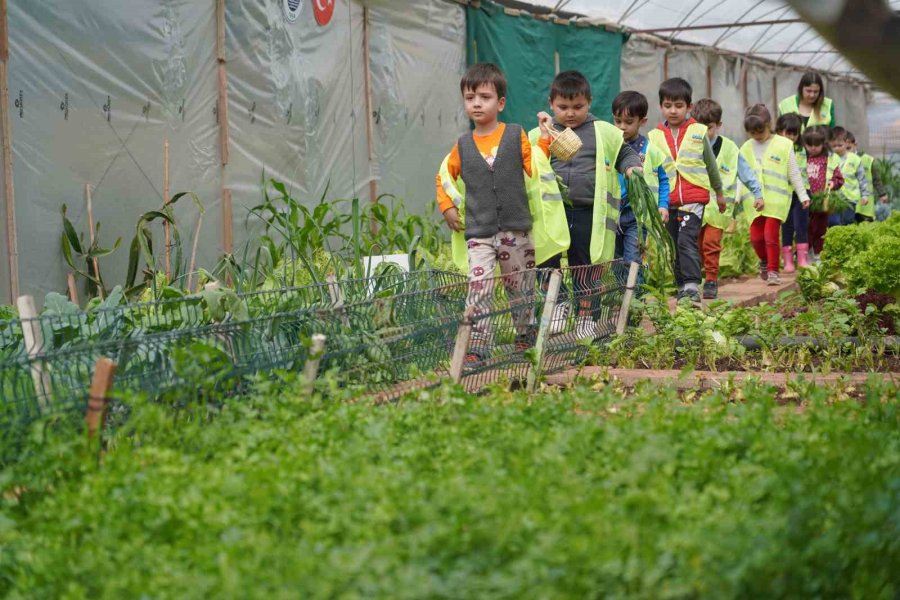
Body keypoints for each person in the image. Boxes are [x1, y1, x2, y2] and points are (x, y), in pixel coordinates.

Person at [435, 63, 567, 363]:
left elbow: (535, 166)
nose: (477, 103)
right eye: (470, 98)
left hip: (515, 231)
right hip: (479, 233)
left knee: (519, 287)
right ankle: (479, 345)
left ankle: (525, 334)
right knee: (479, 288)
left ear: (501, 102)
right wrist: (447, 207)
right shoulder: (463, 145)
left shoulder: (515, 134)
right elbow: (443, 176)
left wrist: (546, 137)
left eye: (485, 97)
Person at [531, 70, 643, 339]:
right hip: (551, 213)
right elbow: (526, 162)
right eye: (563, 107)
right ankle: (558, 305)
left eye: (578, 107)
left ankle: (586, 317)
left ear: (589, 102)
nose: (570, 113)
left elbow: (624, 152)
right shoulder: (540, 133)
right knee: (546, 262)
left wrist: (631, 167)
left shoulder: (603, 131)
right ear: (551, 104)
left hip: (588, 213)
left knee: (586, 266)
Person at [647, 77, 725, 306]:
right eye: (668, 105)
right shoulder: (654, 136)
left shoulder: (698, 132)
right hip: (667, 199)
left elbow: (711, 165)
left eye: (679, 106)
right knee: (673, 244)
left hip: (693, 197)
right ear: (661, 106)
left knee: (685, 240)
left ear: (689, 107)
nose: (673, 111)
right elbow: (651, 170)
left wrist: (719, 193)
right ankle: (682, 286)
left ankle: (692, 285)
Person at [692, 98, 763, 299]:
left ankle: (712, 280)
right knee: (695, 245)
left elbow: (746, 172)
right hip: (694, 206)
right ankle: (694, 281)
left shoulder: (730, 149)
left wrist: (757, 193)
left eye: (709, 127)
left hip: (718, 209)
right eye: (700, 127)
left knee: (711, 244)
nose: (705, 132)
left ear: (718, 126)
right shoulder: (690, 146)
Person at [739, 104, 810, 286]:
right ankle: (764, 261)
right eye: (752, 133)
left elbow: (794, 172)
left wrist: (802, 195)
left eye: (760, 131)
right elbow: (741, 174)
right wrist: (736, 197)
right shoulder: (746, 148)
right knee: (756, 238)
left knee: (770, 235)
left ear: (769, 124)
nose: (757, 136)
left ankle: (773, 271)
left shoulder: (784, 145)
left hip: (776, 201)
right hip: (754, 202)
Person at [610, 91, 670, 276]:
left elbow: (663, 179)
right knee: (616, 260)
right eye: (617, 121)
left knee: (633, 258)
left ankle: (637, 298)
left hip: (637, 216)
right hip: (612, 213)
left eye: (628, 122)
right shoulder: (609, 146)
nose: (622, 127)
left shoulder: (650, 149)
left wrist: (663, 205)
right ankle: (621, 300)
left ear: (642, 121)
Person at [775, 113, 810, 271]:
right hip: (784, 193)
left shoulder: (802, 149)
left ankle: (802, 258)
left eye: (795, 133)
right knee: (787, 225)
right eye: (788, 133)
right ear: (780, 131)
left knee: (801, 225)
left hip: (801, 193)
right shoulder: (776, 148)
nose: (792, 137)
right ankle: (788, 261)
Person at [803, 126, 844, 259]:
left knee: (820, 228)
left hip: (822, 201)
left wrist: (833, 183)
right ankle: (805, 253)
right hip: (804, 199)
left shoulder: (828, 159)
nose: (813, 148)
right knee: (805, 227)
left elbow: (838, 178)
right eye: (810, 145)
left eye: (817, 145)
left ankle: (818, 254)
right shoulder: (801, 157)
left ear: (823, 144)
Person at [827, 127, 869, 226]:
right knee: (834, 223)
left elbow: (862, 179)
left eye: (839, 145)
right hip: (834, 197)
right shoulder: (829, 158)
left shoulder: (855, 159)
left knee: (848, 221)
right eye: (833, 146)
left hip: (850, 197)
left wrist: (865, 195)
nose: (836, 148)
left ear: (846, 142)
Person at [847, 132, 888, 223]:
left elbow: (876, 179)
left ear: (855, 145)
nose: (847, 152)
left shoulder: (868, 160)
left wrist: (882, 194)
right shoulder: (840, 160)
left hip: (865, 205)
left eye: (849, 148)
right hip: (848, 203)